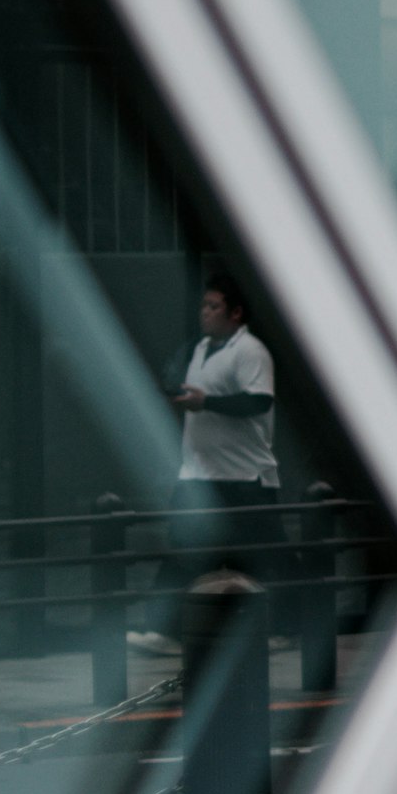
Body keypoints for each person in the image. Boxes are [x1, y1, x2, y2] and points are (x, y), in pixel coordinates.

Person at [142, 274, 282, 654]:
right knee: (185, 547)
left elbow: (259, 402)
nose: (205, 313)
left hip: (244, 475)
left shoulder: (250, 351)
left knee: (257, 558)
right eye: (203, 306)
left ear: (236, 313)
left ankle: (276, 629)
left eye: (213, 307)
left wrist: (207, 403)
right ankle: (163, 631)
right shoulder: (200, 349)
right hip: (199, 472)